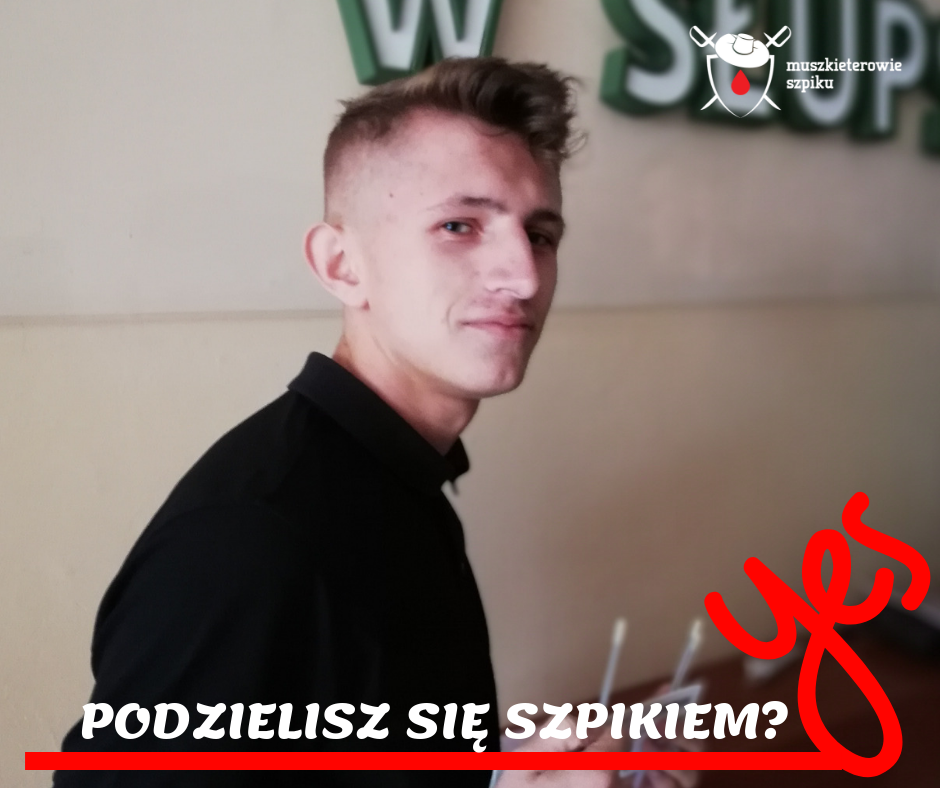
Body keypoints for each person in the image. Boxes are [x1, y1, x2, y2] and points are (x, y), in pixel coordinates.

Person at [54, 57, 687, 788]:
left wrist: (510, 768)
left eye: (540, 235)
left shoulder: (403, 477)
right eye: (459, 225)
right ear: (341, 265)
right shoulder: (254, 540)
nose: (523, 277)